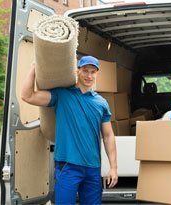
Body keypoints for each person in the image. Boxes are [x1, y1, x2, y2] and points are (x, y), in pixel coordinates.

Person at [21, 56, 118, 205]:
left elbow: (108, 136)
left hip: (92, 168)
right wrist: (34, 68)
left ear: (97, 74)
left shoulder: (101, 103)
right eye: (85, 71)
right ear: (77, 71)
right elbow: (27, 96)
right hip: (67, 166)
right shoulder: (62, 95)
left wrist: (113, 167)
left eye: (93, 72)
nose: (89, 75)